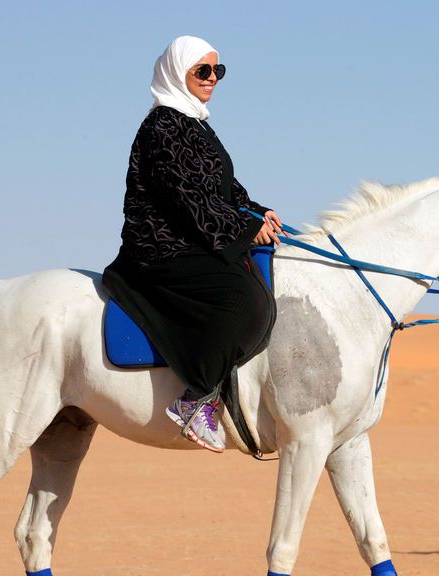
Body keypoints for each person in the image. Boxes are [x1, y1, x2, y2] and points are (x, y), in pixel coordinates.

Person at [103, 36, 285, 453]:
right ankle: (196, 399)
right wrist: (242, 226)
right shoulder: (163, 126)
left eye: (217, 71)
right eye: (202, 71)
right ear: (176, 72)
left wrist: (257, 212)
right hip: (159, 248)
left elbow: (223, 189)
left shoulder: (197, 124)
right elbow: (188, 197)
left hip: (195, 238)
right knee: (239, 298)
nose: (212, 79)